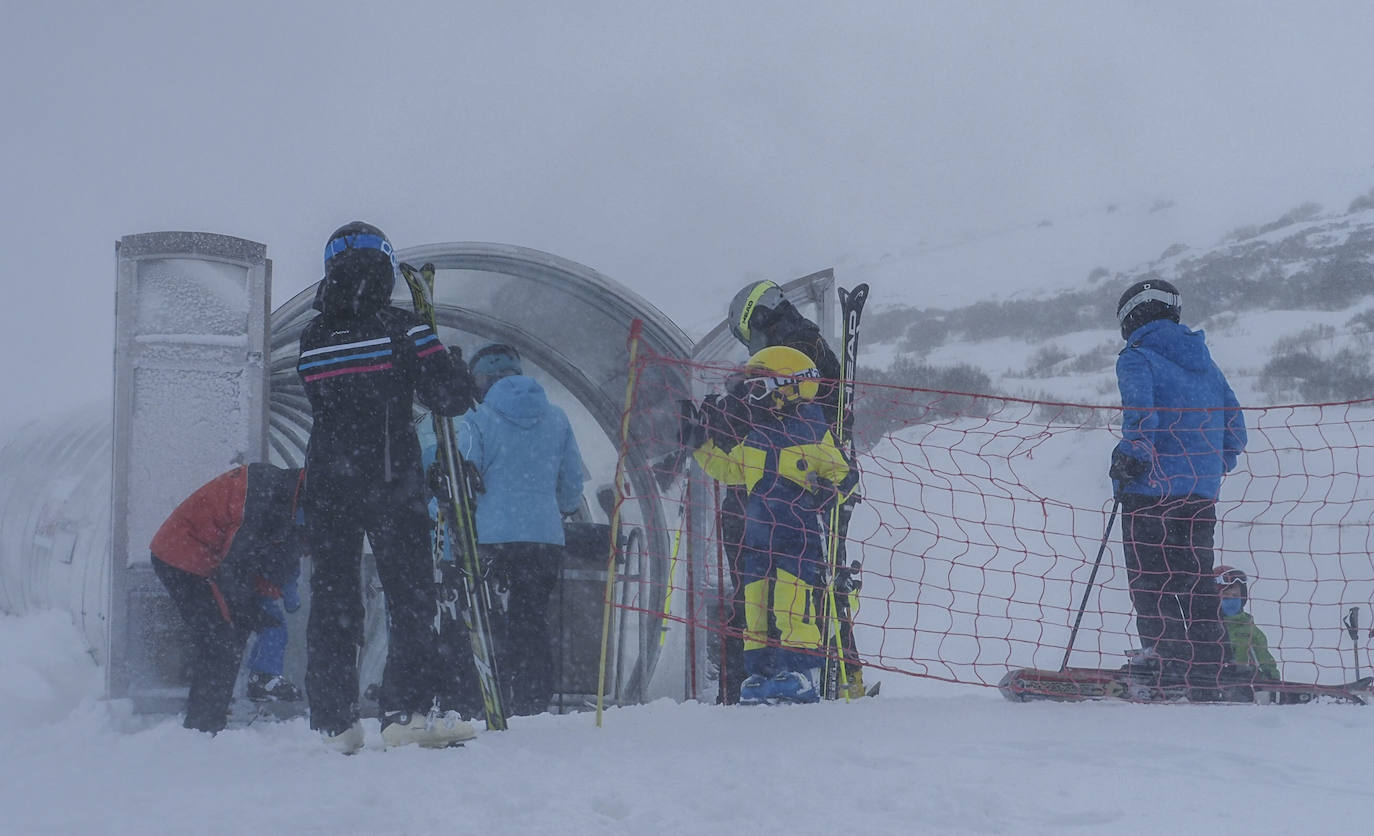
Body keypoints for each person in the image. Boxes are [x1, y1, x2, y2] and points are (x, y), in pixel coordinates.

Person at [297, 221, 479, 753]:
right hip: (389, 478)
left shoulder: (312, 337)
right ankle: (405, 712)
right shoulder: (402, 328)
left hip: (327, 480)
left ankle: (335, 722)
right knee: (409, 597)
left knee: (334, 599)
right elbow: (446, 397)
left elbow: (328, 397)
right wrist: (455, 371)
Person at [724, 280, 865, 699]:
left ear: (759, 318)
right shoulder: (807, 344)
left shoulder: (797, 349)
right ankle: (828, 671)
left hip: (803, 478)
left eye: (750, 336)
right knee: (812, 577)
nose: (753, 348)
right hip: (808, 479)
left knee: (799, 579)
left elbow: (792, 409)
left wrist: (740, 402)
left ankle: (807, 668)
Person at [1110, 278, 1248, 701]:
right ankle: (1211, 666)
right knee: (1195, 580)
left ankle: (1166, 665)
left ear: (1130, 318)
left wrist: (1129, 459)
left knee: (1152, 581)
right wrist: (1209, 468)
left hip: (1148, 491)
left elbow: (1141, 417)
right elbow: (1236, 432)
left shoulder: (1137, 358)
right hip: (1200, 495)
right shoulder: (1208, 366)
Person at [694, 346, 849, 705]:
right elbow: (731, 469)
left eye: (760, 387)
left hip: (798, 534)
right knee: (755, 604)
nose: (753, 396)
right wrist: (700, 445)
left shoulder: (814, 433)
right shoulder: (756, 433)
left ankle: (800, 672)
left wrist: (829, 492)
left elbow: (845, 477)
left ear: (787, 387)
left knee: (792, 602)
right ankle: (759, 673)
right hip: (757, 535)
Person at [452, 343, 586, 716]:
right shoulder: (557, 418)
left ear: (481, 379)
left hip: (491, 540)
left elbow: (463, 477)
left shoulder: (477, 420)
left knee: (485, 618)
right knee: (531, 620)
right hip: (543, 539)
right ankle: (533, 700)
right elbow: (572, 482)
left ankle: (488, 698)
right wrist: (553, 509)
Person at [149, 464, 305, 733]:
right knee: (219, 638)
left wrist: (259, 601)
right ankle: (203, 724)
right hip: (183, 558)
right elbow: (235, 564)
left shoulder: (286, 495)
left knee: (231, 632)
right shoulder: (264, 495)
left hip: (205, 561)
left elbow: (262, 557)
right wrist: (248, 606)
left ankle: (211, 712)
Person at [1213, 566, 1280, 681]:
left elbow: (1264, 659)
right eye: (1225, 596)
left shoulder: (1250, 631)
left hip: (1243, 683)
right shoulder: (1206, 627)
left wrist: (1271, 679)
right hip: (1212, 680)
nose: (1231, 600)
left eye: (1235, 596)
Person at [244, 573, 303, 702]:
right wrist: (292, 600)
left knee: (267, 628)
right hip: (258, 591)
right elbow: (287, 575)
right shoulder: (290, 555)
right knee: (275, 628)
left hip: (248, 587)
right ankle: (264, 677)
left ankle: (257, 677)